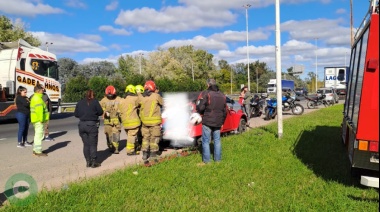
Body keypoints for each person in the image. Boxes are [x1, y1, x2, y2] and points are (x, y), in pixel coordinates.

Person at [196, 79, 227, 166]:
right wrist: (222, 122)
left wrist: (198, 107)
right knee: (217, 140)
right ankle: (218, 160)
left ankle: (207, 161)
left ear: (208, 84)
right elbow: (225, 111)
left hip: (208, 121)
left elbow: (200, 108)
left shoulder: (206, 93)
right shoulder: (222, 95)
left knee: (205, 141)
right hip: (218, 121)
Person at [74, 89, 104, 168]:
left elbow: (76, 114)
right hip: (91, 125)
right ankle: (94, 162)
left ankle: (88, 161)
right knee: (93, 144)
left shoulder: (80, 102)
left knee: (86, 144)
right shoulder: (95, 102)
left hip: (81, 125)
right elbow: (101, 112)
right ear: (93, 95)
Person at [138, 80, 163, 163]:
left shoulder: (141, 97)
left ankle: (144, 154)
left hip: (144, 123)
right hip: (154, 123)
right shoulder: (156, 96)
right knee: (154, 138)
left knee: (145, 138)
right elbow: (163, 103)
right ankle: (153, 155)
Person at [100, 85, 122, 154]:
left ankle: (116, 148)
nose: (110, 97)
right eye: (108, 95)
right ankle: (110, 146)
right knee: (108, 135)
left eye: (111, 95)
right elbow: (100, 110)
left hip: (116, 122)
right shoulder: (103, 100)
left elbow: (123, 108)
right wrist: (104, 112)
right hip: (107, 121)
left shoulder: (119, 99)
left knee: (116, 135)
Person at [119, 85, 141, 155]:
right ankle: (130, 151)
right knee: (132, 136)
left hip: (125, 123)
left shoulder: (122, 100)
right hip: (133, 122)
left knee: (130, 136)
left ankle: (136, 147)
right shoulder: (135, 99)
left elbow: (119, 112)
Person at [30, 84, 49, 156]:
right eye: (42, 89)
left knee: (37, 135)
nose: (43, 90)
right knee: (39, 135)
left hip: (36, 120)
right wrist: (41, 120)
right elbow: (39, 111)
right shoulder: (38, 99)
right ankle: (38, 151)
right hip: (39, 120)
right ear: (38, 91)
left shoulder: (35, 97)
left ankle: (36, 150)